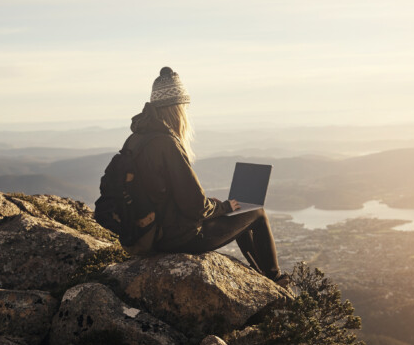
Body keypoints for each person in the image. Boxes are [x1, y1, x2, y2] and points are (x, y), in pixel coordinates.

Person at [121, 66, 289, 287]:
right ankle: (275, 279)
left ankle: (262, 276)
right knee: (256, 212)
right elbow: (195, 207)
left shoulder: (136, 139)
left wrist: (221, 208)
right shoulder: (167, 142)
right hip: (175, 238)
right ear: (177, 108)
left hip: (147, 234)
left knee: (236, 211)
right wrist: (223, 208)